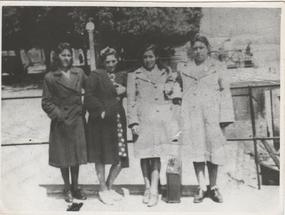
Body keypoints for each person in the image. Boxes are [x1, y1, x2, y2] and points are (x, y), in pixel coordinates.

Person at [180, 35, 234, 203]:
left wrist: (224, 118)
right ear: (192, 51)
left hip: (212, 116)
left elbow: (225, 92)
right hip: (193, 116)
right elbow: (176, 86)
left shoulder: (218, 67)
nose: (198, 51)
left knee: (213, 151)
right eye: (195, 48)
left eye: (201, 48)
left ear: (207, 49)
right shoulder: (184, 69)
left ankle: (213, 186)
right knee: (197, 150)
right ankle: (201, 186)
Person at [127, 44, 181, 207]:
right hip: (142, 120)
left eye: (151, 56)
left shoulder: (166, 73)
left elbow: (173, 94)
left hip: (160, 120)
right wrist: (133, 122)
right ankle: (147, 187)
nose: (148, 60)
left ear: (156, 57)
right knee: (144, 155)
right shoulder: (134, 75)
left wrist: (172, 86)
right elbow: (131, 101)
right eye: (145, 57)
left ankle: (154, 191)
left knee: (156, 155)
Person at [42, 42, 87, 203]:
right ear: (57, 57)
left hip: (77, 120)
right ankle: (67, 188)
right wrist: (59, 115)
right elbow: (46, 102)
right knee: (63, 157)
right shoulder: (50, 77)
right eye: (63, 55)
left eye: (69, 55)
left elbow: (92, 88)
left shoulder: (79, 73)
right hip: (61, 123)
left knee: (76, 156)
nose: (66, 58)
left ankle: (76, 187)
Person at [84, 47, 129, 205]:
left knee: (120, 157)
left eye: (113, 61)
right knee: (101, 156)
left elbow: (134, 90)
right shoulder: (96, 75)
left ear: (117, 61)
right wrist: (100, 111)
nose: (111, 64)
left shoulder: (122, 75)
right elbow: (88, 97)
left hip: (117, 120)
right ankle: (102, 188)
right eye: (108, 61)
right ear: (103, 62)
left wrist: (126, 90)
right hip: (101, 123)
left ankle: (110, 186)